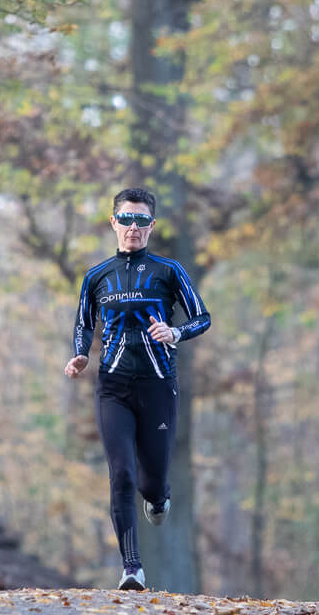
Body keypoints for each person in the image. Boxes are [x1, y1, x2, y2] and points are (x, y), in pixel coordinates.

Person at [65, 188, 210, 591]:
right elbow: (83, 324)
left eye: (141, 220)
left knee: (152, 481)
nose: (133, 228)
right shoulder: (96, 277)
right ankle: (132, 567)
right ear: (113, 223)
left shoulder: (169, 271)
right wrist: (80, 355)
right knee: (122, 475)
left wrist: (176, 332)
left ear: (152, 226)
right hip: (113, 388)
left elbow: (203, 317)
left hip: (158, 385)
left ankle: (159, 497)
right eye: (126, 219)